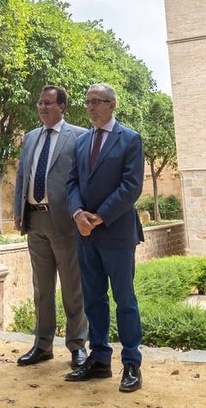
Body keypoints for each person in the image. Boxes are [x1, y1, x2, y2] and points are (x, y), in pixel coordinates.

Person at [64, 82, 145, 393]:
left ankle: (132, 364)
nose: (91, 107)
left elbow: (131, 185)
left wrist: (100, 216)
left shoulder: (130, 139)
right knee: (93, 300)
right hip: (85, 234)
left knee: (125, 300)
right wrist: (77, 214)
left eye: (97, 101)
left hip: (117, 233)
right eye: (88, 102)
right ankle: (99, 360)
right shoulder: (82, 142)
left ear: (112, 105)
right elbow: (72, 183)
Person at [12, 86, 89, 369]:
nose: (42, 107)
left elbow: (82, 180)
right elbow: (23, 175)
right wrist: (18, 211)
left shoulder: (79, 136)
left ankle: (77, 345)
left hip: (65, 222)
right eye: (39, 102)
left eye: (48, 103)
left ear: (62, 107)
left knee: (72, 287)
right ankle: (42, 345)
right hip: (35, 220)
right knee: (41, 288)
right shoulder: (30, 137)